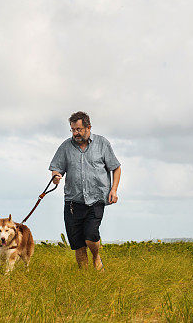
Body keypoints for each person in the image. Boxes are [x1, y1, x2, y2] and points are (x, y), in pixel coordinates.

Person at [48, 111, 121, 270]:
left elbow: (116, 168)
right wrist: (56, 177)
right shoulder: (65, 147)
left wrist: (114, 190)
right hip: (73, 202)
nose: (75, 133)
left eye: (79, 129)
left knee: (90, 236)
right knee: (78, 244)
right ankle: (84, 277)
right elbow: (56, 168)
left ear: (88, 127)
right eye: (73, 130)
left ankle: (96, 257)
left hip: (96, 199)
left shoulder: (102, 144)